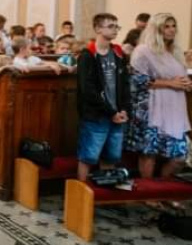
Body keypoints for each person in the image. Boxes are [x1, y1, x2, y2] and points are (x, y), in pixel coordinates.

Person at [126, 13, 192, 179]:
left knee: (179, 157)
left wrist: (186, 84)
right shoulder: (143, 50)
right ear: (156, 29)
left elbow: (179, 77)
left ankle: (163, 190)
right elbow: (136, 80)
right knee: (149, 153)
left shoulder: (176, 51)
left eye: (173, 26)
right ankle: (149, 195)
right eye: (166, 26)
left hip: (175, 109)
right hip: (152, 107)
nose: (171, 30)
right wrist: (170, 83)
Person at [76, 13, 130, 182]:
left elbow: (125, 84)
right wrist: (110, 111)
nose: (115, 30)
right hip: (97, 114)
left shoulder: (118, 53)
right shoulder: (88, 56)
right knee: (88, 155)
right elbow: (87, 90)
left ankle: (105, 190)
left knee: (111, 156)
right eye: (111, 26)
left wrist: (124, 109)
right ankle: (80, 195)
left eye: (117, 26)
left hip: (117, 114)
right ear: (98, 28)